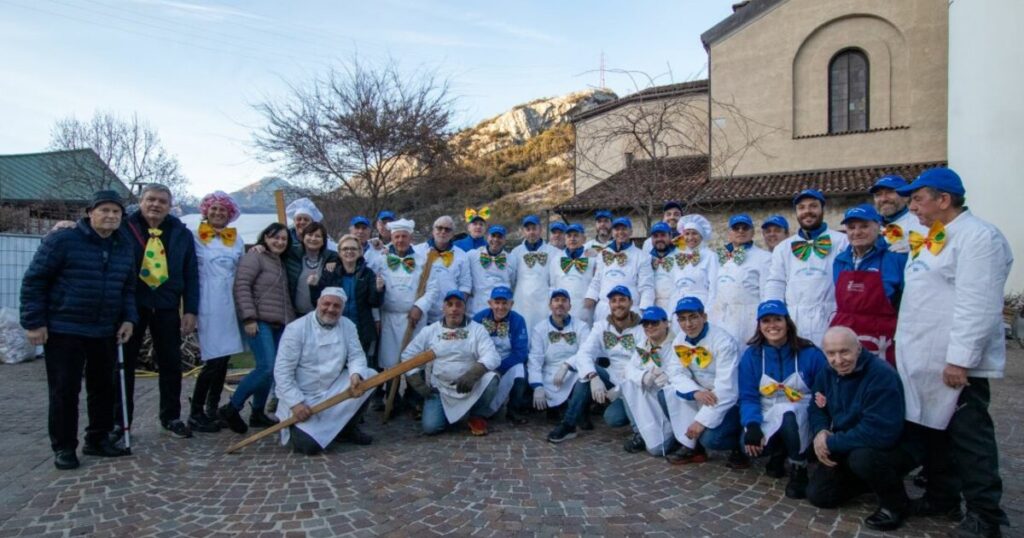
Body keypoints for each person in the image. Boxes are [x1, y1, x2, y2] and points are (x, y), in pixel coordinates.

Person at [894, 167, 1012, 537]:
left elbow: (977, 304)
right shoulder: (936, 237)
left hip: (955, 364)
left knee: (969, 439)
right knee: (934, 434)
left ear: (944, 200)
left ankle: (984, 515)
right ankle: (942, 496)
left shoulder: (978, 238)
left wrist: (960, 358)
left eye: (917, 199)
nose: (912, 207)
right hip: (925, 359)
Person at [21, 190, 136, 469]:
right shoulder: (63, 240)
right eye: (104, 210)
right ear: (90, 213)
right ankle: (64, 447)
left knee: (103, 388)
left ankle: (97, 439)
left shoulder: (124, 245)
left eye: (116, 212)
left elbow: (128, 287)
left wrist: (128, 318)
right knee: (65, 390)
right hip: (65, 327)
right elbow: (35, 280)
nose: (110, 216)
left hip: (104, 328)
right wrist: (34, 323)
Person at [806, 327, 915, 532]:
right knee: (820, 495)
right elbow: (816, 406)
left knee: (863, 459)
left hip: (887, 446)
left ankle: (896, 504)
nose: (838, 360)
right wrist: (820, 431)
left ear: (859, 348)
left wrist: (830, 442)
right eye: (831, 353)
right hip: (848, 441)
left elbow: (880, 432)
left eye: (844, 352)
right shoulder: (827, 372)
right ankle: (867, 482)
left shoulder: (881, 376)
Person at [116, 183, 199, 439]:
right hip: (132, 305)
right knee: (124, 364)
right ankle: (122, 421)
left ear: (169, 205)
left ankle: (171, 416)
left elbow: (191, 273)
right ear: (141, 201)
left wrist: (190, 309)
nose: (156, 205)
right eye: (151, 199)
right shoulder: (124, 228)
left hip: (166, 304)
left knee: (171, 362)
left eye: (162, 201)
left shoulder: (180, 233)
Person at [738, 300, 827, 499]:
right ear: (759, 326)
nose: (772, 326)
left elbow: (823, 390)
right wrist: (752, 424)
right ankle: (778, 451)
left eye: (777, 320)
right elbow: (748, 396)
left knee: (788, 413)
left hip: (800, 414)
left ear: (787, 322)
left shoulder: (810, 353)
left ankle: (799, 467)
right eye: (766, 321)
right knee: (748, 446)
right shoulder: (752, 356)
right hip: (766, 411)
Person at [273, 288, 377, 455]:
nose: (330, 309)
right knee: (308, 447)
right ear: (318, 303)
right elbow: (282, 371)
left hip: (332, 390)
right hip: (303, 396)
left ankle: (348, 429)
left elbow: (357, 356)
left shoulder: (348, 326)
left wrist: (356, 375)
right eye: (326, 304)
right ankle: (299, 427)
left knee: (370, 377)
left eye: (336, 306)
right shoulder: (296, 329)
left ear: (342, 309)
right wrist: (296, 403)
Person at [219, 223, 295, 434]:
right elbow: (242, 286)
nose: (279, 242)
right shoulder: (255, 256)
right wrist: (249, 318)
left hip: (279, 322)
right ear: (265, 238)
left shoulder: (280, 261)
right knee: (266, 366)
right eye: (275, 238)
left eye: (283, 239)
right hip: (259, 320)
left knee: (271, 371)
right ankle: (232, 407)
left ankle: (258, 412)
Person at [549, 286, 642, 444]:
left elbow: (641, 366)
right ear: (609, 304)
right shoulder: (601, 326)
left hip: (634, 383)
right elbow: (585, 353)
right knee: (585, 373)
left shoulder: (643, 328)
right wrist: (593, 377)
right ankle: (569, 424)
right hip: (612, 376)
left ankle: (641, 431)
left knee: (613, 418)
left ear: (631, 302)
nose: (618, 304)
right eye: (614, 301)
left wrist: (620, 390)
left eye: (622, 300)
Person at [401, 290, 501, 436]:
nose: (454, 309)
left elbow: (493, 356)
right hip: (442, 389)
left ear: (464, 308)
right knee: (431, 428)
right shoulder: (430, 330)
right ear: (443, 308)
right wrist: (416, 381)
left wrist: (474, 374)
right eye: (450, 304)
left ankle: (477, 415)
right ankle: (448, 413)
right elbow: (407, 355)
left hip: (469, 386)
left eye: (458, 305)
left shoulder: (477, 329)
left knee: (492, 378)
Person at [663, 297, 746, 468]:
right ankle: (693, 447)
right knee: (665, 394)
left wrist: (701, 421)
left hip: (725, 398)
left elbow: (727, 388)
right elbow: (675, 371)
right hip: (701, 393)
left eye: (693, 317)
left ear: (704, 317)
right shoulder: (680, 340)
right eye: (682, 319)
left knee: (712, 439)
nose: (688, 324)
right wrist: (695, 392)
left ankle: (738, 446)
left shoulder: (723, 341)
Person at [188, 191, 246, 433]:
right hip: (207, 301)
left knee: (225, 358)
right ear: (206, 211)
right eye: (214, 209)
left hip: (229, 302)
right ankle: (196, 411)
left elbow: (242, 269)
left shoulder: (237, 240)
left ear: (230, 214)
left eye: (223, 210)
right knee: (212, 359)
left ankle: (213, 408)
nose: (218, 213)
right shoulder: (194, 237)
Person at [764, 189, 849, 346]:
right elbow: (775, 283)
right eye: (801, 207)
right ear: (796, 212)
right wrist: (771, 317)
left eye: (813, 206)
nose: (807, 211)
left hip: (832, 318)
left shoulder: (843, 242)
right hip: (795, 321)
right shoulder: (783, 248)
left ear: (823, 209)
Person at [830, 204, 907, 365]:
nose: (857, 232)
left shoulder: (895, 257)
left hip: (881, 341)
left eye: (864, 226)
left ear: (878, 226)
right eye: (851, 227)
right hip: (847, 339)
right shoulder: (840, 260)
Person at [617, 306, 677, 456]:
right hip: (646, 396)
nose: (649, 327)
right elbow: (629, 369)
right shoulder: (642, 345)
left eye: (654, 323)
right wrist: (643, 376)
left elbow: (678, 373)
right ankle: (639, 433)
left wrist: (666, 377)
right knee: (626, 384)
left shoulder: (677, 345)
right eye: (646, 324)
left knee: (656, 450)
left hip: (668, 402)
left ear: (666, 323)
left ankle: (676, 436)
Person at [529, 289, 591, 432]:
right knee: (546, 391)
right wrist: (537, 386)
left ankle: (574, 416)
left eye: (564, 301)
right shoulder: (539, 329)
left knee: (584, 378)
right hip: (549, 372)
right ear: (550, 305)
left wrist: (567, 365)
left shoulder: (581, 326)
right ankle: (559, 409)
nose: (560, 304)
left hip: (573, 370)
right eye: (556, 300)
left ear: (570, 306)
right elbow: (535, 359)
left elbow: (585, 352)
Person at [710, 214, 771, 354]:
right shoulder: (718, 257)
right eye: (736, 228)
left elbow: (766, 294)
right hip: (721, 319)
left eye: (745, 228)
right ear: (729, 233)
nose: (740, 231)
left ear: (753, 232)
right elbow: (713, 291)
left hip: (749, 321)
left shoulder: (764, 258)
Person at [316, 234, 383, 356]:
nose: (349, 252)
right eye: (345, 249)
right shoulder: (330, 272)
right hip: (335, 330)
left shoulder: (367, 274)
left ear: (360, 251)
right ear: (339, 252)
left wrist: (379, 289)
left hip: (361, 331)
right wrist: (313, 286)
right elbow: (317, 301)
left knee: (362, 369)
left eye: (353, 249)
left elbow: (375, 302)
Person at [472, 286, 530, 423]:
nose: (500, 307)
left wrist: (499, 367)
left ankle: (514, 410)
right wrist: (485, 366)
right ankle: (480, 411)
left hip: (507, 361)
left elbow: (521, 352)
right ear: (490, 303)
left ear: (511, 304)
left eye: (505, 303)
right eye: (497, 303)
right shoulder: (479, 318)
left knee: (521, 372)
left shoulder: (518, 320)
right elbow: (471, 346)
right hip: (484, 363)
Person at [584, 217, 654, 320]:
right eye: (617, 229)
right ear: (612, 232)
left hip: (630, 312)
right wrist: (590, 297)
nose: (620, 232)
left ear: (631, 231)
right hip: (603, 311)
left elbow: (647, 286)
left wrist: (645, 310)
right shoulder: (603, 254)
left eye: (624, 229)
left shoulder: (642, 256)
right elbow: (597, 280)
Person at [415, 215, 473, 324]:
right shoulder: (417, 251)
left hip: (448, 316)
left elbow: (465, 286)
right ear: (433, 230)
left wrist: (457, 308)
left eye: (447, 229)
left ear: (452, 234)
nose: (443, 231)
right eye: (439, 228)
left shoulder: (461, 256)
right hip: (420, 313)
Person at [283, 222, 339, 316]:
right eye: (310, 235)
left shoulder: (332, 257)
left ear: (323, 241)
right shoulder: (291, 255)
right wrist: (261, 246)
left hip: (322, 314)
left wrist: (335, 261)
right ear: (303, 237)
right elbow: (274, 249)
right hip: (295, 314)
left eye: (318, 236)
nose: (313, 239)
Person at [509, 215, 554, 331]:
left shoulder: (554, 252)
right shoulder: (515, 252)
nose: (531, 232)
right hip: (521, 302)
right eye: (528, 229)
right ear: (523, 231)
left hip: (544, 302)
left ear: (541, 230)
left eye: (534, 228)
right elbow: (511, 279)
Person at [548, 223, 595, 325]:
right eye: (569, 236)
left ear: (584, 238)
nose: (572, 239)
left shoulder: (592, 259)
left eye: (576, 235)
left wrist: (592, 298)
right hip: (561, 309)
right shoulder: (556, 260)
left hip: (584, 310)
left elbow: (597, 283)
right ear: (565, 238)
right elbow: (552, 285)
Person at [869, 175, 925, 254]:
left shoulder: (920, 224)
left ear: (905, 196)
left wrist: (921, 248)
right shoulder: (872, 225)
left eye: (890, 192)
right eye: (878, 194)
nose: (883, 199)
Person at [673, 214, 719, 307]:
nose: (690, 238)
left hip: (700, 306)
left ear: (701, 236)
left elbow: (714, 287)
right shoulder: (679, 256)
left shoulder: (711, 256)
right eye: (687, 234)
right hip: (678, 305)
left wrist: (708, 310)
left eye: (694, 233)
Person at [468, 225, 512, 315]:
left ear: (504, 240)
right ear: (487, 237)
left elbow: (513, 281)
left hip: (501, 310)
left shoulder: (512, 259)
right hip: (477, 309)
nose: (496, 239)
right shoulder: (472, 255)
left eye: (499, 237)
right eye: (493, 236)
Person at [647, 222, 680, 311]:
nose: (659, 239)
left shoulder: (681, 256)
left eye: (663, 235)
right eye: (655, 236)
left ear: (670, 236)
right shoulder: (645, 258)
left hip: (676, 306)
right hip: (653, 308)